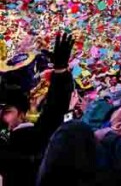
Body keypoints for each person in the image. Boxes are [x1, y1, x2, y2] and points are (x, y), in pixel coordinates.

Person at [0, 32, 76, 186]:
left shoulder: (34, 139)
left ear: (22, 114)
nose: (0, 116)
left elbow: (55, 109)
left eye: (7, 112)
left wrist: (60, 72)